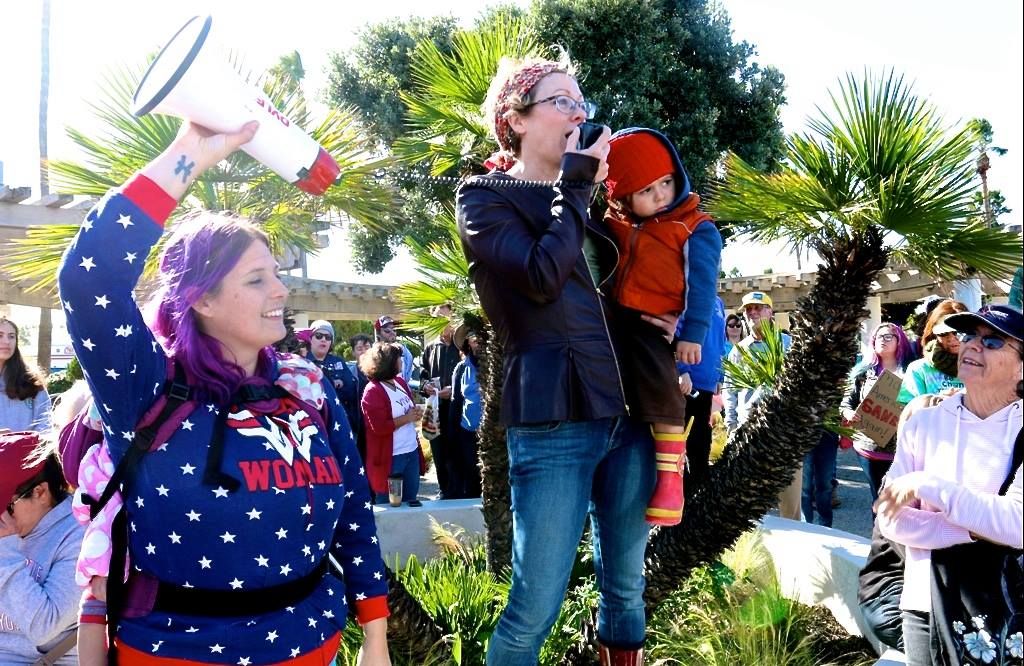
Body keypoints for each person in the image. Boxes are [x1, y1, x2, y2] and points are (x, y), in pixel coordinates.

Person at [56, 120, 390, 664]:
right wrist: (191, 151)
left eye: (276, 274)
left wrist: (374, 633)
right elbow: (88, 281)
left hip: (315, 643)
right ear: (202, 300)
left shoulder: (303, 386)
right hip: (177, 650)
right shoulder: (145, 387)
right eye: (257, 279)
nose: (281, 289)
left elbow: (354, 507)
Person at [457, 55, 676, 665]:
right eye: (560, 101)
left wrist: (671, 315)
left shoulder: (595, 209)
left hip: (626, 417)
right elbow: (539, 276)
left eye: (581, 103)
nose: (578, 114)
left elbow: (624, 296)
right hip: (553, 421)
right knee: (536, 604)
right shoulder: (484, 197)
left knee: (626, 590)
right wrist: (577, 182)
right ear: (516, 120)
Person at [875, 305, 1023, 666]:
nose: (972, 346)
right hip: (925, 605)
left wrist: (928, 486)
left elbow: (1018, 524)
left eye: (991, 341)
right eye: (968, 336)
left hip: (1006, 604)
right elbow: (891, 518)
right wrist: (976, 529)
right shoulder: (922, 424)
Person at [603, 128, 723, 526]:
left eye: (666, 182)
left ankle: (670, 476)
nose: (659, 195)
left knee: (663, 385)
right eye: (645, 190)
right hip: (607, 317)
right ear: (622, 197)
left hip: (654, 322)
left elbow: (703, 285)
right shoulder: (611, 222)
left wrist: (693, 334)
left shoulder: (693, 226)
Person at [0, 431, 83, 665]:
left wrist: (4, 552)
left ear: (40, 493)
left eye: (7, 506)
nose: (1, 515)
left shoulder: (79, 534)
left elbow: (45, 627)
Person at [723, 291, 798, 519]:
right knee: (750, 494)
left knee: (790, 495)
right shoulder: (740, 350)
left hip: (785, 430)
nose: (752, 313)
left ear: (770, 312)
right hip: (750, 430)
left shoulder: (789, 344)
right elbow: (731, 389)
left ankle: (794, 538)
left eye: (758, 308)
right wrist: (731, 424)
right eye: (748, 310)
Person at [841, 323, 916, 502]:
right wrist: (849, 413)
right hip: (869, 447)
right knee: (879, 499)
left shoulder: (912, 372)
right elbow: (846, 403)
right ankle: (878, 530)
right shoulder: (863, 373)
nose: (883, 340)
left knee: (900, 501)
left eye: (889, 336)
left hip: (902, 450)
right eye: (879, 337)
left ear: (900, 342)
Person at [360, 342, 425, 507]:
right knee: (389, 508)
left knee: (411, 503)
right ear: (389, 363)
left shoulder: (400, 382)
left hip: (410, 453)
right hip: (390, 459)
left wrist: (415, 413)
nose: (402, 361)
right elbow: (379, 427)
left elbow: (408, 411)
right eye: (398, 358)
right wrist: (407, 417)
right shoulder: (372, 391)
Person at [676, 296, 726, 488]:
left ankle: (698, 499)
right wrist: (682, 370)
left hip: (707, 384)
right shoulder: (688, 292)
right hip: (689, 382)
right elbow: (676, 332)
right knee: (688, 445)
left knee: (702, 443)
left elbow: (720, 340)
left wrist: (719, 376)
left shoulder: (718, 302)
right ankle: (684, 505)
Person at [419, 305, 462, 500]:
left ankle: (460, 490)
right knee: (439, 451)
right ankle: (444, 489)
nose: (442, 324)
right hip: (436, 410)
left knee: (459, 452)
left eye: (446, 319)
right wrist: (426, 386)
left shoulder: (463, 346)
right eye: (438, 319)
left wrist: (455, 391)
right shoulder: (430, 348)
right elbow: (423, 377)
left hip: (458, 410)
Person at [897, 299, 967, 404]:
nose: (951, 338)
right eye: (944, 333)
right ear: (934, 334)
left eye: (957, 332)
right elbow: (906, 412)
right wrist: (935, 402)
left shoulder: (983, 366)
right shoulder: (919, 369)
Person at [304, 319, 360, 432]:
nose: (323, 339)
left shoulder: (338, 362)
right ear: (310, 339)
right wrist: (333, 383)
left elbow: (351, 389)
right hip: (313, 423)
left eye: (328, 337)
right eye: (319, 335)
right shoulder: (303, 362)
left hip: (340, 420)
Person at [447, 325, 482, 499]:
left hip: (496, 436)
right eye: (472, 337)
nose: (477, 340)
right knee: (471, 477)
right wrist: (453, 439)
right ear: (467, 342)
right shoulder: (461, 368)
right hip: (468, 433)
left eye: (479, 335)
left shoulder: (501, 364)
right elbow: (456, 403)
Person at [0, 317, 52, 433]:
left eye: (11, 336)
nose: (7, 341)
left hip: (27, 449)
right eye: (0, 335)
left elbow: (45, 424)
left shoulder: (31, 380)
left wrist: (22, 443)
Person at [349, 333, 373, 463]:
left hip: (376, 427)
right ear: (353, 352)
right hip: (358, 427)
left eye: (367, 348)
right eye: (359, 349)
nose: (364, 352)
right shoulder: (349, 374)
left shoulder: (380, 373)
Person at [374, 316, 413, 384]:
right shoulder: (372, 354)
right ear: (378, 334)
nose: (392, 333)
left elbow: (407, 379)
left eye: (394, 330)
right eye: (387, 331)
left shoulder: (405, 352)